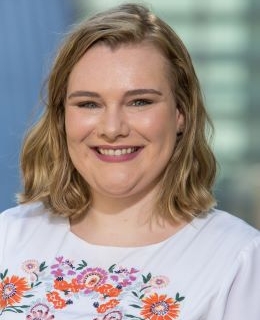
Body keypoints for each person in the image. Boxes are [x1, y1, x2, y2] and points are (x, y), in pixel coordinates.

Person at [0, 3, 259, 319]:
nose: (112, 129)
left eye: (139, 102)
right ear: (61, 117)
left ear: (181, 113)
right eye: (89, 104)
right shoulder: (7, 238)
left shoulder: (240, 260)